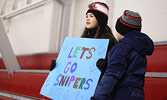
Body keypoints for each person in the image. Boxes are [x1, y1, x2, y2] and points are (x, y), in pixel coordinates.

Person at [91, 10, 154, 100]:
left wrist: (98, 97)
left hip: (120, 95)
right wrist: (106, 66)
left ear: (121, 30)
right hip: (137, 94)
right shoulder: (140, 47)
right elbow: (128, 70)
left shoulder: (122, 47)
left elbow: (112, 74)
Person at [50, 1, 117, 82]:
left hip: (98, 88)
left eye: (91, 16)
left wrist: (106, 67)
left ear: (101, 19)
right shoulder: (82, 40)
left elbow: (116, 68)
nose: (87, 18)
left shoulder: (109, 42)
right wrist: (57, 67)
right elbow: (74, 65)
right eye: (86, 16)